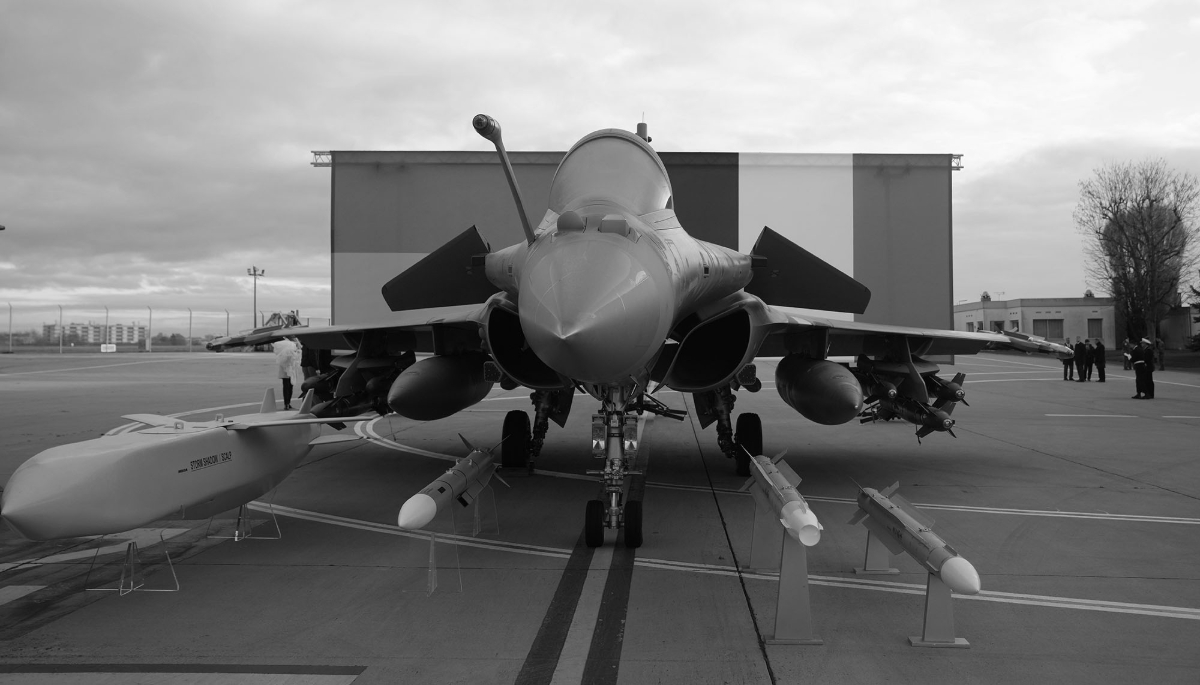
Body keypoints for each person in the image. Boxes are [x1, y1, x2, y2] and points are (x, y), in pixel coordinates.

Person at [272, 338, 299, 410]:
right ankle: (287, 403)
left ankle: (287, 403)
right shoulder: (290, 347)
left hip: (286, 370)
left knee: (286, 387)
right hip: (289, 370)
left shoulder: (282, 349)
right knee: (289, 387)